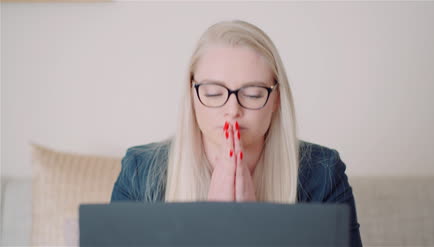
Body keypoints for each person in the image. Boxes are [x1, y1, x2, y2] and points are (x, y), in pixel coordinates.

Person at [111, 19, 362, 247]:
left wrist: (252, 229)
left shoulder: (323, 172)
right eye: (213, 93)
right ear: (191, 95)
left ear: (276, 99)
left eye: (253, 94)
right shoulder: (139, 171)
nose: (232, 110)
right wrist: (211, 226)